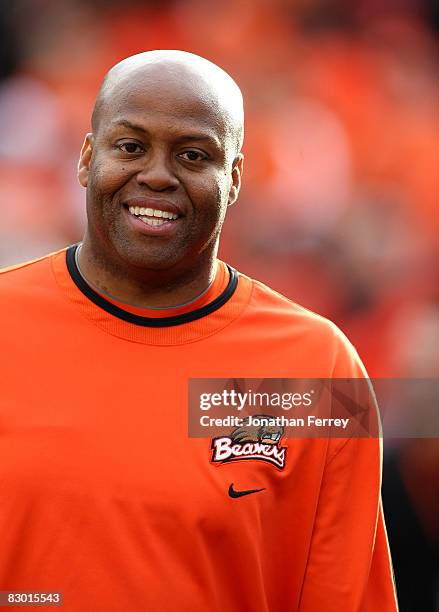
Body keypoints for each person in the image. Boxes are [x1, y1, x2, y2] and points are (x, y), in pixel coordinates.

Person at [0, 50, 397, 611]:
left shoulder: (321, 366)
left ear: (233, 178)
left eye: (192, 155)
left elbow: (348, 593)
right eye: (131, 146)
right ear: (88, 158)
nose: (157, 175)